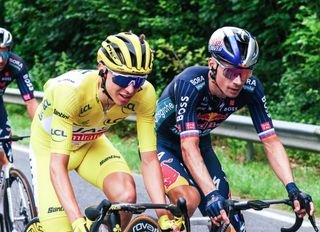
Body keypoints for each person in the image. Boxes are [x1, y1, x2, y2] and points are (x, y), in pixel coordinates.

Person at [155, 26, 315, 230]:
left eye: (245, 72)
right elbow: (188, 146)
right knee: (187, 202)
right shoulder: (190, 83)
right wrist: (210, 195)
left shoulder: (251, 88)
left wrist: (293, 189)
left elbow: (270, 141)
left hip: (201, 147)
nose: (238, 81)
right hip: (163, 145)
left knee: (230, 218)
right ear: (212, 65)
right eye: (231, 72)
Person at [29, 32, 182, 232]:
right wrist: (76, 221)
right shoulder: (71, 93)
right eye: (121, 79)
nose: (129, 89)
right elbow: (57, 165)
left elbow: (149, 159)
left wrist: (163, 215)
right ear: (102, 70)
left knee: (126, 197)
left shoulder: (145, 95)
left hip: (90, 144)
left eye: (138, 81)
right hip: (49, 150)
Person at [0, 27, 38, 172]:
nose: (1, 59)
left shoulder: (17, 64)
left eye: (4, 52)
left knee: (4, 139)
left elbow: (30, 101)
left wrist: (39, 129)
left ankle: (7, 176)